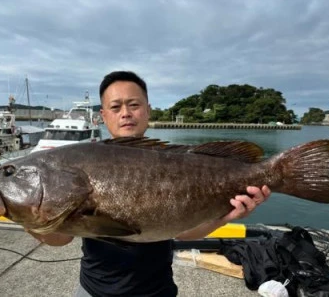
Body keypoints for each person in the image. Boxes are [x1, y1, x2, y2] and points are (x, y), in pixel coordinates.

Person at [28, 71, 271, 296]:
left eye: (134, 105)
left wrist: (226, 216)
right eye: (115, 107)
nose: (125, 113)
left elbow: (184, 233)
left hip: (157, 290)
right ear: (103, 116)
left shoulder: (173, 160)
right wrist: (27, 216)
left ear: (148, 110)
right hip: (93, 290)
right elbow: (60, 239)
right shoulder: (85, 161)